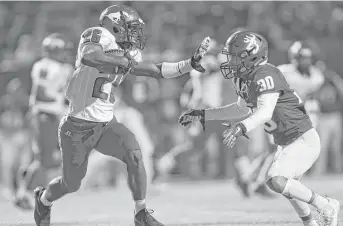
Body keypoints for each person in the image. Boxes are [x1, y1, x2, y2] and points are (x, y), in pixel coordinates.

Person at [33, 4, 210, 226]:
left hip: (107, 124)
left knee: (135, 154)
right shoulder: (98, 35)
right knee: (72, 184)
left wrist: (189, 65)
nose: (135, 33)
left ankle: (141, 213)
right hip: (77, 126)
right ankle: (43, 200)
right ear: (115, 26)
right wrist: (124, 61)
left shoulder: (125, 52)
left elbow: (155, 70)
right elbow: (90, 56)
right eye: (131, 28)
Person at [179, 30, 340, 226]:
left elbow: (264, 112)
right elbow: (240, 108)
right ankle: (310, 223)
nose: (231, 62)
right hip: (286, 141)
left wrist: (241, 128)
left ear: (252, 56)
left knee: (276, 180)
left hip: (302, 139)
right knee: (288, 186)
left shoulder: (266, 73)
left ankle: (327, 205)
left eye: (236, 57)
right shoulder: (243, 78)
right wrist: (204, 114)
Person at [14, 33, 73, 210]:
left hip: (49, 117)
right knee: (44, 160)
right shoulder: (47, 67)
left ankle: (27, 189)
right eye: (62, 50)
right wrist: (59, 102)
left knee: (51, 160)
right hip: (45, 116)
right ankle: (23, 194)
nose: (64, 53)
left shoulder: (57, 67)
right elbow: (40, 94)